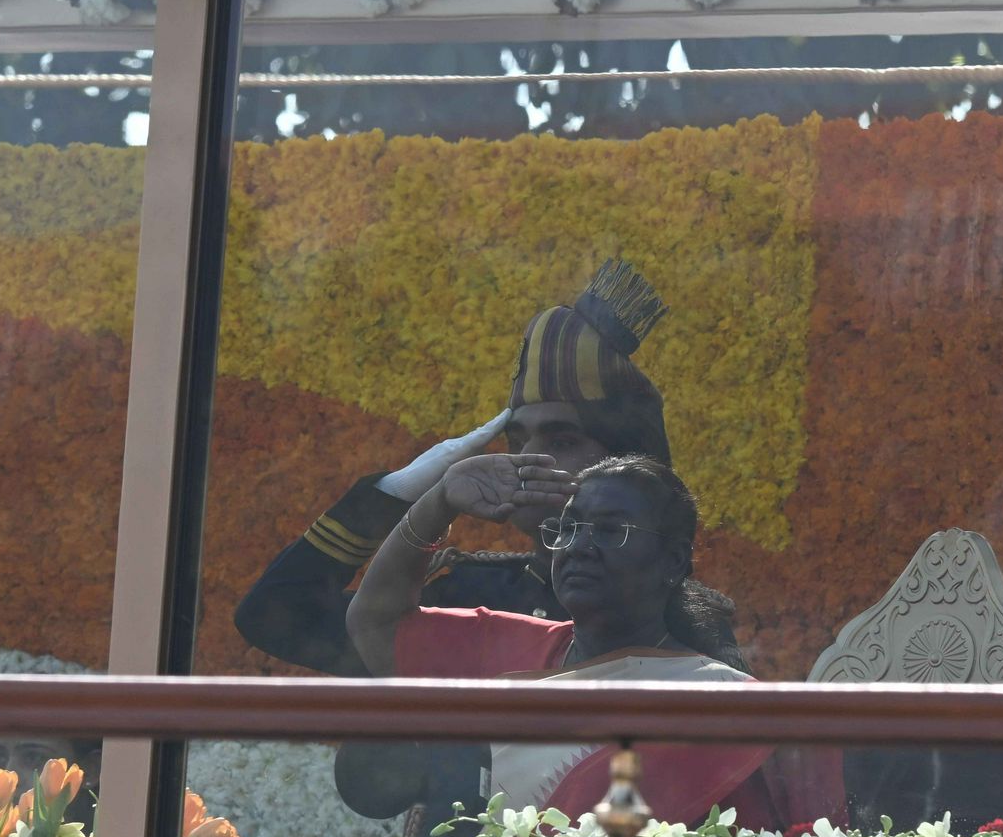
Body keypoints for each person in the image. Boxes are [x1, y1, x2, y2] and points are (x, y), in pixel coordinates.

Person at [234, 259, 687, 677]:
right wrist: (401, 490)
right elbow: (275, 614)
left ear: (626, 465)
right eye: (517, 440)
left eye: (562, 440)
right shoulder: (469, 594)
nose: (526, 457)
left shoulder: (684, 619)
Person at [346, 454, 842, 832]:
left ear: (673, 561)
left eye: (610, 530)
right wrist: (437, 503)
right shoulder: (507, 647)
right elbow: (375, 622)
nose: (579, 546)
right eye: (569, 528)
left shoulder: (720, 704)